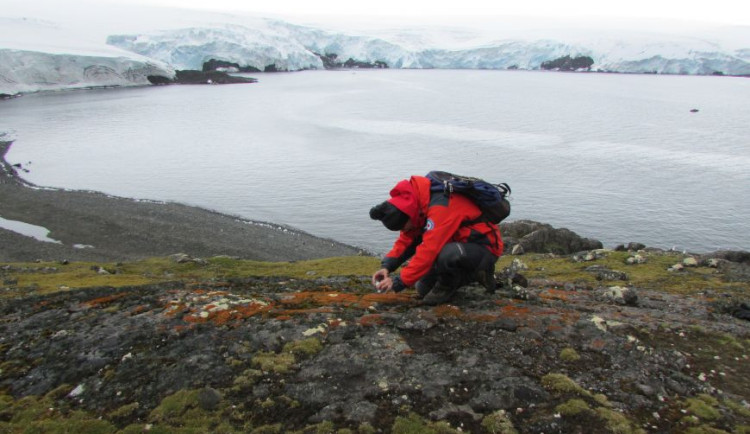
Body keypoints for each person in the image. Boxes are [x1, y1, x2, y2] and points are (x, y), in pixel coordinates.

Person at [369, 175, 503, 305]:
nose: (403, 231)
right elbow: (407, 241)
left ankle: (464, 278)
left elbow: (429, 249)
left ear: (408, 217)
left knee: (449, 254)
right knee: (422, 288)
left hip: (484, 247)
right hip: (456, 244)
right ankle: (471, 275)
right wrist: (386, 267)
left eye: (403, 227)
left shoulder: (441, 206)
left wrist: (398, 283)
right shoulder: (415, 205)